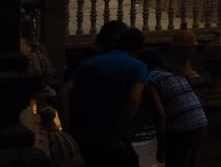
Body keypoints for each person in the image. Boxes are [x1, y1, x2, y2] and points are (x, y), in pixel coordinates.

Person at [61, 27, 148, 167]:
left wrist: (67, 130)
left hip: (84, 131)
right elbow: (134, 100)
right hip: (111, 134)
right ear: (139, 49)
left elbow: (64, 94)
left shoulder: (89, 63)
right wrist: (118, 135)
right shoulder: (138, 66)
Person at [139, 48, 208, 167]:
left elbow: (159, 113)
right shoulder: (175, 74)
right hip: (201, 122)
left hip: (182, 128)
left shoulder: (150, 79)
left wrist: (161, 146)